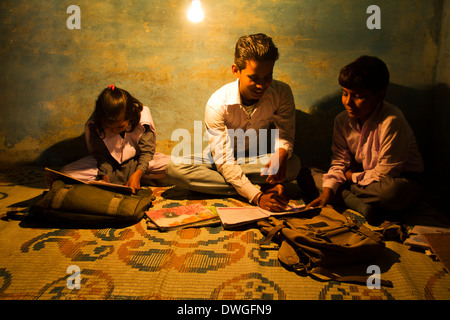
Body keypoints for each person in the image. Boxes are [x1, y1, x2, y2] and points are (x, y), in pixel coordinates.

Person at [166, 33, 301, 212]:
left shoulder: (282, 92)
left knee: (293, 165)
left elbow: (285, 134)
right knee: (173, 168)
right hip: (219, 160)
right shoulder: (217, 103)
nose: (261, 85)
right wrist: (256, 196)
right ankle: (254, 187)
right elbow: (224, 160)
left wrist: (281, 153)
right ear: (235, 70)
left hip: (256, 158)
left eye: (267, 77)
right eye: (254, 78)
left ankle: (233, 184)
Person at [306, 56, 424, 225]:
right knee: (306, 174)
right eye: (344, 93)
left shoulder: (392, 121)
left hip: (398, 181)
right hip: (362, 178)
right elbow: (339, 160)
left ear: (380, 96)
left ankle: (345, 195)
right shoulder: (341, 120)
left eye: (358, 96)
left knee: (392, 193)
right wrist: (331, 187)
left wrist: (348, 177)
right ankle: (357, 203)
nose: (348, 102)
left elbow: (386, 173)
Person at [61, 85, 170, 194]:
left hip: (139, 161)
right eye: (109, 128)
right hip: (111, 164)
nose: (114, 132)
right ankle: (141, 179)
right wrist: (104, 176)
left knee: (177, 165)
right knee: (66, 173)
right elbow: (103, 156)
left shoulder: (142, 118)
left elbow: (146, 153)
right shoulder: (96, 124)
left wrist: (138, 174)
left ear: (130, 114)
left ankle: (137, 177)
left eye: (120, 127)